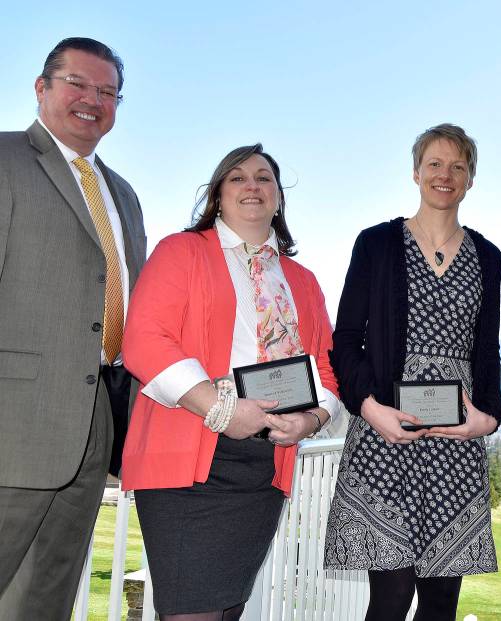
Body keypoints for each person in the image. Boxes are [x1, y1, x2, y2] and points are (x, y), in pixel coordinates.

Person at [119, 144, 340, 620]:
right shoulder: (180, 252)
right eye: (238, 177)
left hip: (264, 467)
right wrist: (221, 409)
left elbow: (326, 369)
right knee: (190, 612)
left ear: (279, 197)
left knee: (226, 612)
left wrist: (312, 417)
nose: (252, 186)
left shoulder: (302, 280)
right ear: (217, 194)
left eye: (264, 178)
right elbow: (144, 341)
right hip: (189, 460)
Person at [325, 123, 501, 621]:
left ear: (471, 179)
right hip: (386, 435)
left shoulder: (488, 258)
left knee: (442, 602)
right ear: (416, 172)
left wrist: (488, 418)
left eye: (458, 167)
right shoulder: (377, 243)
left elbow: (488, 351)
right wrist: (368, 408)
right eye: (435, 164)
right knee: (391, 597)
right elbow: (345, 342)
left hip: (456, 442)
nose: (445, 175)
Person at [0, 37, 146, 619]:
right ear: (42, 88)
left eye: (108, 92)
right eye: (78, 85)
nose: (93, 100)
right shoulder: (6, 159)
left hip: (95, 425)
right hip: (13, 427)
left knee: (47, 595)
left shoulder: (125, 196)